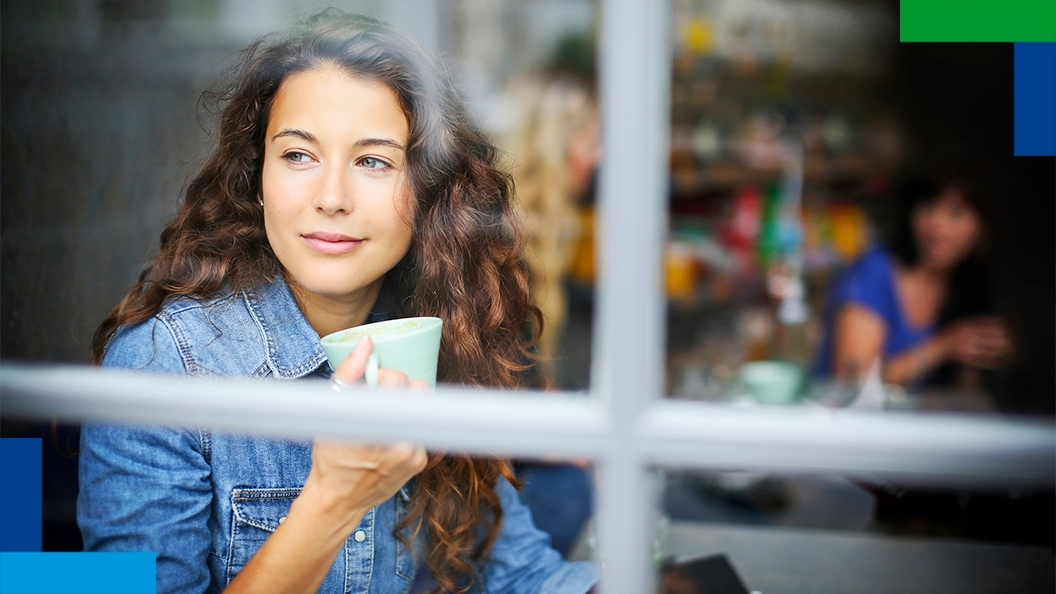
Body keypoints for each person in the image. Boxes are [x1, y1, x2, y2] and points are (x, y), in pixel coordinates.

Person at [77, 11, 597, 594]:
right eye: (298, 155)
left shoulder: (436, 339)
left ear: (429, 191)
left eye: (373, 161)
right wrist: (333, 501)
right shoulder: (161, 366)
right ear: (257, 178)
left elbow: (522, 574)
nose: (330, 198)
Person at [815, 169, 1012, 387]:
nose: (937, 223)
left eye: (956, 212)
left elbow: (970, 392)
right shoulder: (875, 271)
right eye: (927, 207)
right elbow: (850, 380)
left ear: (983, 228)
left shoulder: (975, 286)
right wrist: (944, 347)